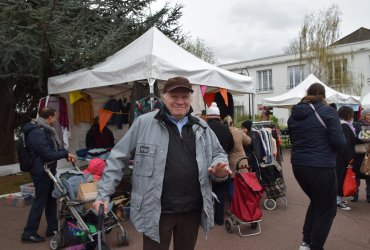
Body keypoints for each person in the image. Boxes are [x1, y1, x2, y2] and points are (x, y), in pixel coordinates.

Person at [93, 76, 231, 250]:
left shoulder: (201, 127)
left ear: (190, 98)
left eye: (184, 97)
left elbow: (218, 153)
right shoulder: (144, 123)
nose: (180, 101)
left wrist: (219, 169)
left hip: (192, 210)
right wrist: (103, 194)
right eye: (174, 96)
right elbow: (117, 156)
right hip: (156, 211)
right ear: (164, 97)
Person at [288, 83, 346, 250]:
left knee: (317, 202)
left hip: (298, 165)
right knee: (327, 210)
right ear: (323, 95)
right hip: (320, 166)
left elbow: (293, 140)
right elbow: (339, 143)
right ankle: (315, 246)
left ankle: (306, 242)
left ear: (308, 94)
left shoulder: (294, 115)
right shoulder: (328, 111)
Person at [21, 107, 76, 243]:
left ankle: (52, 228)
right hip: (41, 172)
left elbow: (52, 149)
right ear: (49, 118)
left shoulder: (44, 130)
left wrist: (65, 153)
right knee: (40, 201)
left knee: (51, 200)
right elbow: (47, 154)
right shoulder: (37, 133)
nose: (56, 120)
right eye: (54, 117)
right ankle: (29, 233)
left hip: (47, 170)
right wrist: (64, 154)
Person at [206, 102, 234, 225]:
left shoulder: (204, 127)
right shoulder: (225, 127)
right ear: (218, 115)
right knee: (220, 192)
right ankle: (219, 218)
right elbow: (231, 144)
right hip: (222, 163)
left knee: (206, 191)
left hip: (206, 163)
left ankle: (207, 218)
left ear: (208, 116)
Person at [223, 115, 251, 202]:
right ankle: (245, 202)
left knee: (231, 182)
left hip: (230, 160)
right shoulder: (238, 132)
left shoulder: (223, 132)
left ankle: (233, 204)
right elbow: (249, 141)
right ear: (233, 123)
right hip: (241, 160)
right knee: (244, 181)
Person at [336, 106, 356, 210]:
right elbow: (347, 144)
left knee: (340, 177)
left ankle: (338, 198)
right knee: (341, 178)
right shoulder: (345, 126)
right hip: (343, 158)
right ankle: (338, 200)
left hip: (339, 157)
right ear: (348, 114)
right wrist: (350, 159)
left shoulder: (340, 124)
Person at [352, 108, 370, 202]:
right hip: (359, 153)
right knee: (357, 174)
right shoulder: (356, 124)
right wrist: (362, 137)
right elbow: (353, 137)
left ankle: (369, 195)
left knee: (369, 174)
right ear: (363, 115)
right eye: (368, 114)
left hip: (369, 154)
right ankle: (355, 193)